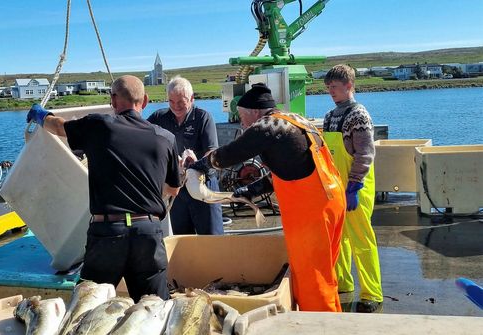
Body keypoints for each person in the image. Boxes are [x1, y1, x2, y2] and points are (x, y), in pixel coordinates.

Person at [188, 83, 345, 312]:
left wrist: (202, 166)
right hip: (330, 201)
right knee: (324, 272)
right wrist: (251, 190)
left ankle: (319, 325)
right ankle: (335, 320)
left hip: (312, 213)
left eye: (242, 117)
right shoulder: (294, 121)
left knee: (313, 280)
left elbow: (233, 152)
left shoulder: (268, 125)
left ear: (254, 112)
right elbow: (289, 169)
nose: (242, 124)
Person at [26, 75, 181, 302]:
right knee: (154, 309)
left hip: (108, 234)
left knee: (89, 308)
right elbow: (173, 189)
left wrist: (41, 115)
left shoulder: (100, 126)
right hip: (148, 234)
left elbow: (58, 127)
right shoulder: (165, 138)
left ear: (114, 100)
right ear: (145, 101)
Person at [323, 64, 383, 313]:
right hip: (337, 187)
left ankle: (372, 293)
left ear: (349, 85)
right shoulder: (329, 116)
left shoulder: (359, 116)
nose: (331, 92)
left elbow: (365, 155)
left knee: (362, 240)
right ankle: (344, 283)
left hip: (356, 188)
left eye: (335, 87)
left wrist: (355, 185)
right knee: (340, 239)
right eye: (328, 88)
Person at [147, 76, 223, 235]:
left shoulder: (203, 118)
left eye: (181, 102)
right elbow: (140, 137)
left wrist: (197, 163)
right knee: (181, 237)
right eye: (171, 102)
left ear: (192, 98)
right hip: (177, 189)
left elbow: (212, 152)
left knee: (212, 237)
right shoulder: (159, 118)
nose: (176, 107)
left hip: (203, 185)